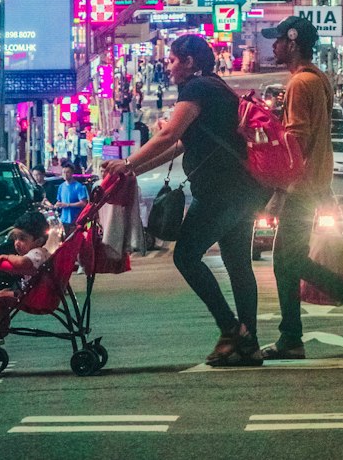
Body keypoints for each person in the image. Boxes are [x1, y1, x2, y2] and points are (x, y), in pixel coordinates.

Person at [106, 32, 266, 367]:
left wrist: (128, 162)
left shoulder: (197, 88)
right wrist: (133, 170)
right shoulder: (215, 86)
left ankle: (230, 329)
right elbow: (182, 145)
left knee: (186, 255)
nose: (169, 66)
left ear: (189, 61)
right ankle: (248, 343)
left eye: (173, 60)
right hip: (243, 189)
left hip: (222, 191)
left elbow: (169, 134)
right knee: (238, 264)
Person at [260, 17, 343, 360]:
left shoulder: (301, 84)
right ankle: (293, 335)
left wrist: (279, 188)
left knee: (286, 260)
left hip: (300, 187)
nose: (272, 47)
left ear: (292, 43)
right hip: (313, 184)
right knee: (287, 260)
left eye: (276, 40)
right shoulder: (317, 79)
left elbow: (298, 141)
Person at [0, 209, 52, 347]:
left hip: (35, 297)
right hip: (37, 293)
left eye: (22, 239)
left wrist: (7, 257)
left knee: (0, 300)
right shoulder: (40, 253)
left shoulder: (36, 253)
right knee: (4, 293)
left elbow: (22, 263)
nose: (17, 243)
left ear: (38, 241)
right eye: (15, 238)